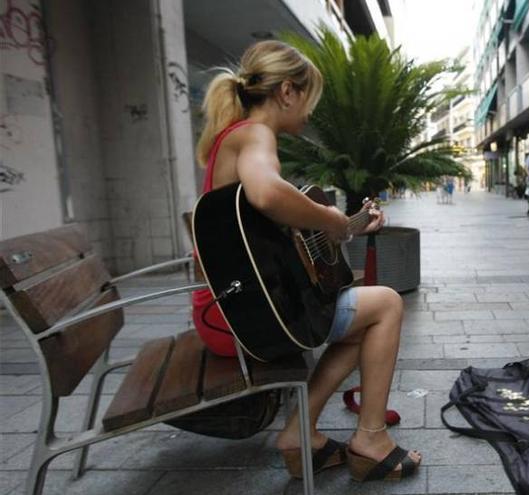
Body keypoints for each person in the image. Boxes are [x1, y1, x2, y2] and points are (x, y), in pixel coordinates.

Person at [192, 40, 421, 481]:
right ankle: (370, 439)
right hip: (238, 321)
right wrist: (330, 217)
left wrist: (350, 226)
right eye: (309, 100)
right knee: (388, 304)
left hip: (223, 311)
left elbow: (270, 238)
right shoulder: (255, 134)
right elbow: (266, 193)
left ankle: (301, 434)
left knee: (358, 319)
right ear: (288, 92)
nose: (310, 114)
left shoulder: (231, 137)